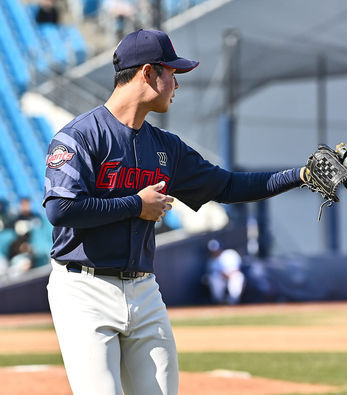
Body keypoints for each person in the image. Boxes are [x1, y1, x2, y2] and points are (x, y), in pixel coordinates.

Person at [43, 29, 307, 395]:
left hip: (143, 289)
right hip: (82, 288)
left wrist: (300, 175)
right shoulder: (80, 136)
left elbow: (228, 186)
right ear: (148, 73)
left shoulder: (166, 147)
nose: (176, 85)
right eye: (173, 74)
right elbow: (61, 208)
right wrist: (137, 204)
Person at [204, 239, 245, 304]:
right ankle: (219, 301)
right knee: (214, 278)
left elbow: (237, 269)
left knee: (237, 276)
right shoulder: (211, 261)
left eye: (216, 249)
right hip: (221, 278)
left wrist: (228, 274)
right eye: (213, 250)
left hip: (232, 275)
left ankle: (233, 301)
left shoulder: (229, 254)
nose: (215, 252)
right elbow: (211, 273)